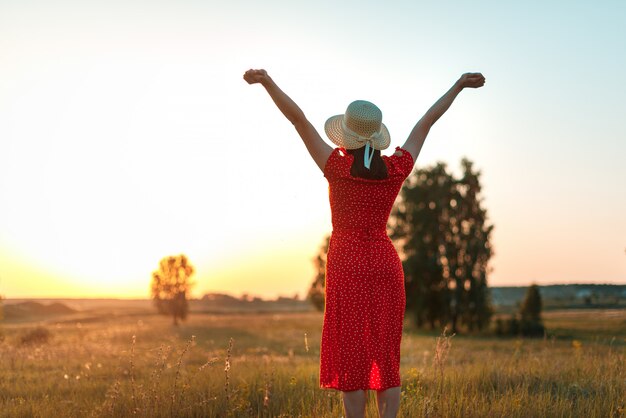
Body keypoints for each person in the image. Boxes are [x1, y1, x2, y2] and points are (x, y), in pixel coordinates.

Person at [244, 69, 485, 418]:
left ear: (347, 137)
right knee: (386, 356)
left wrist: (267, 82)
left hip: (347, 263)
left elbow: (298, 120)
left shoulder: (336, 167)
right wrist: (458, 86)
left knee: (351, 357)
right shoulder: (396, 168)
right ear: (376, 137)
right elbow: (426, 123)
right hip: (385, 264)